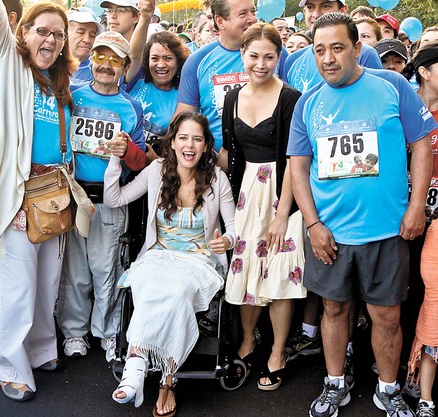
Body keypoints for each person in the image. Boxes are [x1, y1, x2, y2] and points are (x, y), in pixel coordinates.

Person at [287, 13, 436, 417]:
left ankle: (387, 390)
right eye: (319, 50)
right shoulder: (307, 103)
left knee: (386, 315)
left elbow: (422, 145)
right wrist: (313, 224)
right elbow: (298, 167)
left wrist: (415, 207)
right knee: (334, 310)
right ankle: (335, 382)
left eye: (337, 48)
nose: (327, 58)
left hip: (386, 230)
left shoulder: (392, 86)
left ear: (357, 48)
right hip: (331, 233)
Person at [0, 0, 77, 401]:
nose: (50, 39)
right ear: (24, 32)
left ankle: (40, 349)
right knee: (17, 286)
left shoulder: (60, 81)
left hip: (52, 193)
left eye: (58, 34)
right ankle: (11, 366)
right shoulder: (6, 60)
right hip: (15, 192)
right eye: (42, 30)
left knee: (46, 282)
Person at [106, 111, 235, 417]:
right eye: (183, 138)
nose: (189, 145)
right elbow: (114, 199)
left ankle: (164, 377)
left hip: (199, 260)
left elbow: (233, 227)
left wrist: (227, 241)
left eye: (197, 139)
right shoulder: (156, 171)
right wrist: (115, 159)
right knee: (148, 284)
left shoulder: (217, 179)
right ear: (173, 142)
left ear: (206, 145)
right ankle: (140, 367)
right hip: (158, 255)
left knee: (178, 290)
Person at [218, 22, 306, 391]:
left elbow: (294, 158)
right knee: (246, 268)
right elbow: (228, 153)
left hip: (283, 191)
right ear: (242, 55)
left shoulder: (290, 98)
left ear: (279, 57)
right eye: (254, 56)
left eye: (269, 57)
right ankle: (248, 339)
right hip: (244, 193)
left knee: (280, 273)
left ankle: (278, 351)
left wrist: (282, 214)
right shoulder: (232, 98)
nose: (261, 64)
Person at [57, 31, 146, 360]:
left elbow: (140, 162)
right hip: (73, 195)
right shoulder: (71, 96)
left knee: (107, 269)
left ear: (125, 67)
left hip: (109, 200)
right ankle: (74, 332)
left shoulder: (131, 107)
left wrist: (127, 150)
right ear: (90, 60)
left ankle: (108, 333)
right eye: (100, 57)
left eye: (115, 59)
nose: (106, 65)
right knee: (75, 271)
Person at [404, 42, 438, 417]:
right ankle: (405, 363)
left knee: (431, 296)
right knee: (406, 290)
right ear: (425, 72)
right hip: (407, 213)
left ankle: (422, 366)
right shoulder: (404, 107)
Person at [174, 0, 258, 151]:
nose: (251, 19)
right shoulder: (197, 61)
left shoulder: (275, 53)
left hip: (265, 158)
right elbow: (184, 119)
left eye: (253, 11)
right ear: (220, 21)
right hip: (216, 159)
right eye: (242, 14)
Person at [123, 0, 190, 161]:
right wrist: (145, 18)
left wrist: (156, 160)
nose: (161, 65)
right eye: (155, 58)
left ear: (178, 62)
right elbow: (133, 55)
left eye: (168, 58)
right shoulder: (136, 80)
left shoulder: (184, 97)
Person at [283, 0, 382, 94]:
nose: (316, 14)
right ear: (304, 12)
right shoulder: (293, 60)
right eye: (310, 7)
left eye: (325, 6)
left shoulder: (366, 54)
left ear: (343, 11)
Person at [66, 7, 104, 89]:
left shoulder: (99, 73)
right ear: (65, 33)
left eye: (92, 35)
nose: (87, 40)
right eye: (80, 33)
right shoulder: (49, 67)